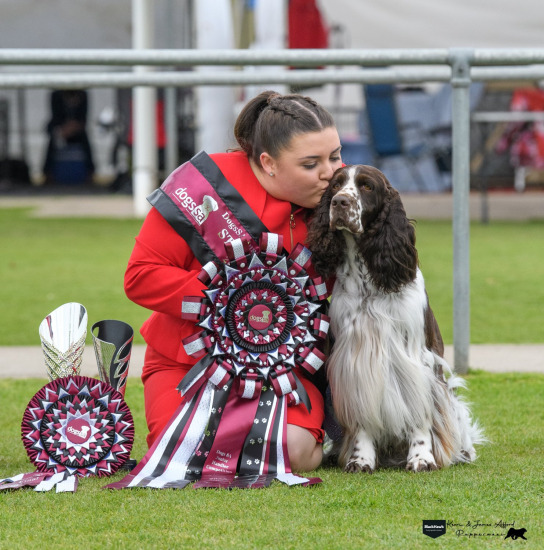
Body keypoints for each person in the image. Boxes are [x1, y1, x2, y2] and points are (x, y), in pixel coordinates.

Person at [124, 90, 342, 472]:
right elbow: (140, 277)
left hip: (284, 370)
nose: (330, 173)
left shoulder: (339, 201)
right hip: (188, 360)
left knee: (298, 454)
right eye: (311, 164)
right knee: (185, 452)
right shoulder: (202, 188)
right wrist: (233, 299)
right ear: (268, 162)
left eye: (335, 156)